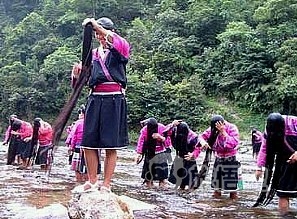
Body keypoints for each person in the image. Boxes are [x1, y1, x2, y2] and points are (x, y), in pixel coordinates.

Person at [71, 16, 130, 193]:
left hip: (114, 99)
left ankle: (106, 184)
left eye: (101, 32)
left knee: (110, 145)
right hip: (95, 98)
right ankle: (92, 180)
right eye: (97, 34)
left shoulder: (121, 47)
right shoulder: (93, 55)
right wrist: (76, 75)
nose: (100, 36)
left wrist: (94, 25)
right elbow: (80, 85)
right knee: (88, 143)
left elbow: (113, 39)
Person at [187, 115, 240, 199]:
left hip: (231, 159)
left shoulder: (232, 128)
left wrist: (223, 132)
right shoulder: (212, 129)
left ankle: (232, 207)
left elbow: (234, 143)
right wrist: (203, 142)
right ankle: (216, 205)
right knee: (216, 188)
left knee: (233, 190)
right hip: (218, 159)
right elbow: (200, 137)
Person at [255, 113, 297, 213]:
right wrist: (259, 167)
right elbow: (264, 148)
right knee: (283, 193)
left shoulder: (293, 122)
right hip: (285, 161)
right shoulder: (269, 129)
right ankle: (284, 215)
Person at [163, 120, 199, 190]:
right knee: (180, 183)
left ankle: (189, 194)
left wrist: (193, 154)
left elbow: (198, 147)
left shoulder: (193, 137)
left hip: (189, 159)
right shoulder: (174, 132)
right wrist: (172, 124)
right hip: (179, 158)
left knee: (190, 182)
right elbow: (164, 132)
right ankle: (181, 193)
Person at [135, 118, 170, 188]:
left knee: (162, 177)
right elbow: (141, 142)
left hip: (160, 153)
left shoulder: (162, 128)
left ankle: (162, 190)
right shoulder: (144, 130)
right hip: (149, 153)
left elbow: (168, 142)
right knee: (148, 177)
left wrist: (161, 138)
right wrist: (139, 153)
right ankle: (149, 190)